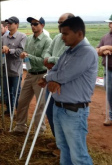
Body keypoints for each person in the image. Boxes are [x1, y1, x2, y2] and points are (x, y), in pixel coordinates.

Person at [40, 16, 98, 165]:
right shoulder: (68, 51)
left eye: (65, 34)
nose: (62, 37)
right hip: (60, 108)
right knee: (64, 149)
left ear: (79, 34)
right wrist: (51, 78)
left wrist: (49, 78)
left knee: (78, 155)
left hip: (74, 111)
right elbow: (57, 69)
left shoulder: (86, 52)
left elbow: (64, 74)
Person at [42, 13, 75, 155]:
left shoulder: (77, 40)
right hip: (51, 80)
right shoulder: (56, 37)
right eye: (58, 22)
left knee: (63, 115)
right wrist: (47, 59)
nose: (59, 25)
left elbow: (65, 59)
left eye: (62, 22)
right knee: (50, 112)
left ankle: (66, 147)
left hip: (64, 84)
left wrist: (51, 59)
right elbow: (47, 53)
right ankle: (59, 141)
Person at [13, 16, 52, 134]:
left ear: (42, 25)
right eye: (31, 24)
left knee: (40, 104)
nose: (33, 26)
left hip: (41, 75)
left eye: (36, 24)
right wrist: (23, 55)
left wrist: (28, 56)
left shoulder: (47, 41)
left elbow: (44, 60)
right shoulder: (29, 39)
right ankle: (20, 126)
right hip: (30, 74)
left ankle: (39, 130)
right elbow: (25, 52)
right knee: (22, 101)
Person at [1, 16, 26, 115]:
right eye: (8, 23)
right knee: (7, 92)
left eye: (11, 23)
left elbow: (20, 51)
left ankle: (18, 111)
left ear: (17, 24)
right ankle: (9, 110)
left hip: (16, 69)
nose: (8, 25)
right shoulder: (3, 37)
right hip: (5, 68)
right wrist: (2, 48)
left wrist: (9, 50)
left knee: (16, 92)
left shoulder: (22, 36)